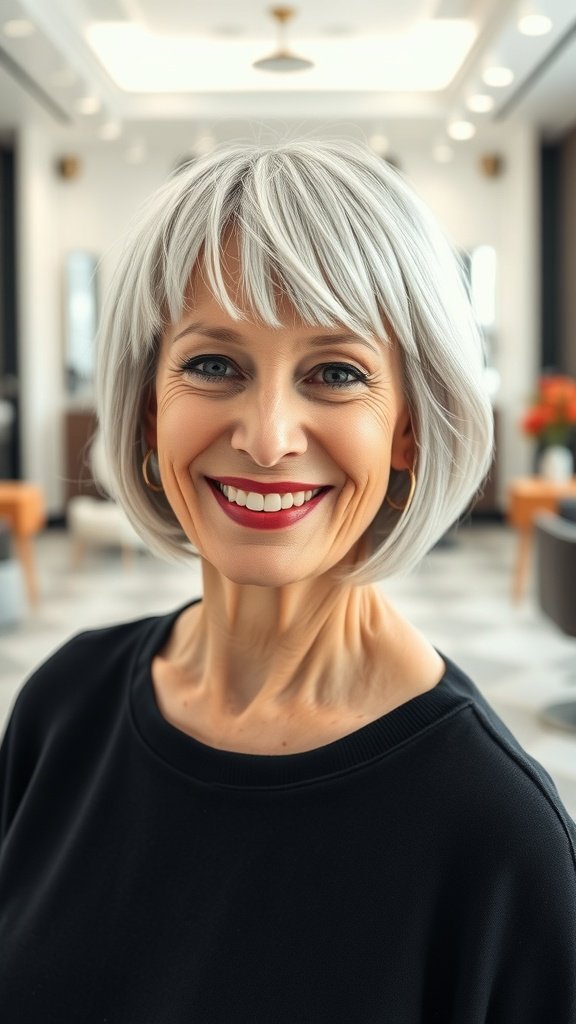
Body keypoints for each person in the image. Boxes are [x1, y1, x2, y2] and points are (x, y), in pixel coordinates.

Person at [0, 140, 574, 1023]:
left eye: (336, 373)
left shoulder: (499, 835)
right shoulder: (61, 708)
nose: (268, 438)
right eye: (213, 364)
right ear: (152, 407)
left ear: (409, 430)